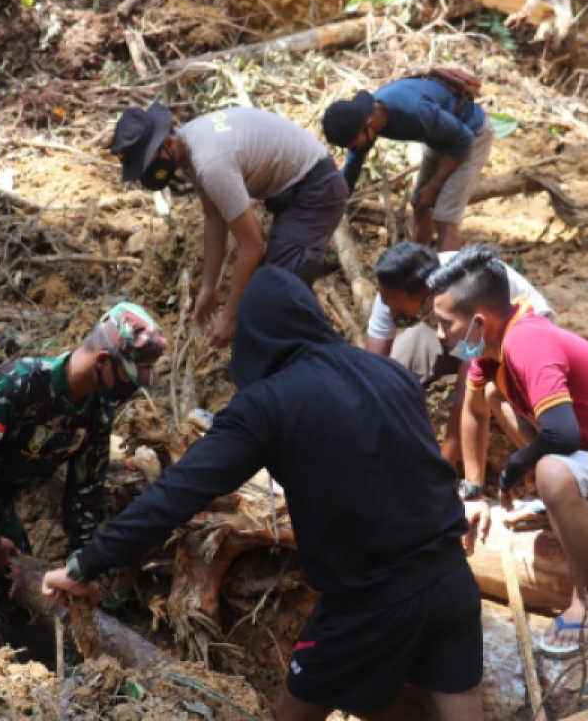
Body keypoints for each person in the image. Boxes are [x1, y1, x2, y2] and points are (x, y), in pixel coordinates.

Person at [43, 267, 490, 721]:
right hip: (451, 579)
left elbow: (180, 491)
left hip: (368, 598)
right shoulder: (388, 373)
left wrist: (86, 563)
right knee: (456, 705)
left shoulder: (267, 404)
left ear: (254, 335)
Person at [428, 245, 588, 657]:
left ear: (477, 321)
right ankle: (564, 503)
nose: (441, 335)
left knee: (550, 471)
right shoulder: (492, 352)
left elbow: (562, 434)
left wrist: (516, 464)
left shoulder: (528, 343)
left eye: (444, 324)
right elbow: (474, 410)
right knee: (494, 395)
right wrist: (473, 493)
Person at [0, 303, 167, 644]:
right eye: (130, 378)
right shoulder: (18, 385)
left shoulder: (97, 411)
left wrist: (80, 567)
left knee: (20, 600)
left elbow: (85, 494)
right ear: (102, 361)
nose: (132, 389)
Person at [110, 103, 349, 348]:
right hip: (294, 193)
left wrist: (230, 315)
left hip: (315, 194)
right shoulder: (191, 143)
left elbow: (253, 245)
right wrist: (208, 287)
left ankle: (327, 355)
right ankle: (311, 347)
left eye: (148, 164)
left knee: (273, 296)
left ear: (168, 144)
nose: (146, 173)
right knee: (281, 289)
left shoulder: (211, 162)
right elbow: (214, 217)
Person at [367, 243, 556, 502]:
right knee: (398, 364)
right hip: (455, 326)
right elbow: (371, 375)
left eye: (403, 315)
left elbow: (465, 400)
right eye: (396, 316)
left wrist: (441, 476)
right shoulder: (394, 292)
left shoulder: (467, 291)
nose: (393, 316)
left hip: (509, 335)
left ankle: (547, 471)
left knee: (494, 395)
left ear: (431, 294)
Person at [323, 75, 493, 252]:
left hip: (471, 135)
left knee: (445, 218)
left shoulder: (415, 111)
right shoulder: (368, 118)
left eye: (354, 144)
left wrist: (434, 186)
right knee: (420, 203)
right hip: (440, 138)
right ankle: (416, 266)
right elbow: (353, 164)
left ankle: (447, 277)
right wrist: (335, 204)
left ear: (369, 123)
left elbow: (463, 139)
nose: (356, 148)